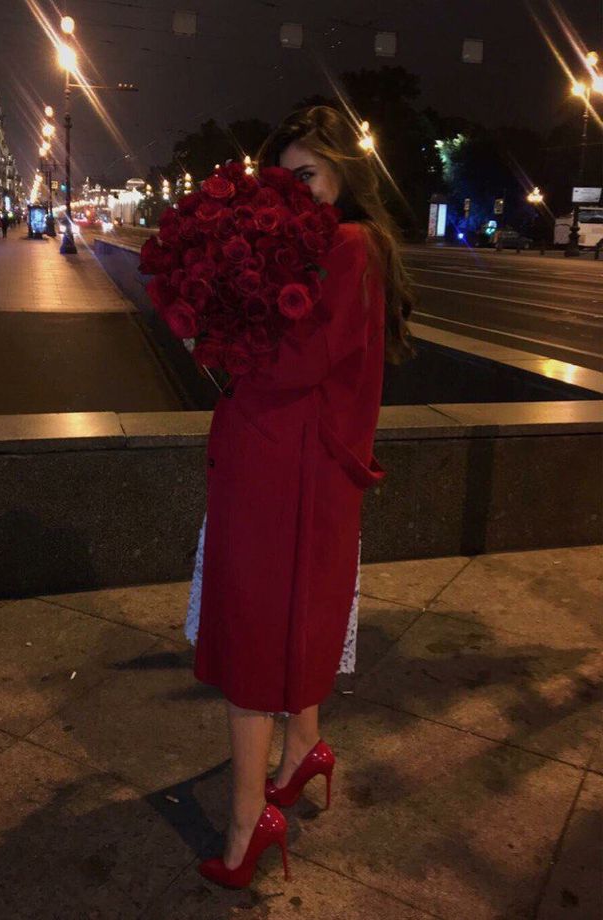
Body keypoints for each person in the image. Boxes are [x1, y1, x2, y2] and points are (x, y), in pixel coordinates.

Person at [187, 106, 416, 889]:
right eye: (283, 178)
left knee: (254, 640)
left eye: (308, 176)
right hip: (302, 471)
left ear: (346, 174)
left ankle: (249, 824)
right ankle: (302, 754)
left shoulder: (347, 246)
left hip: (285, 473)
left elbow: (291, 364)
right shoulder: (352, 246)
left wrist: (211, 325)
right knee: (290, 624)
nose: (295, 194)